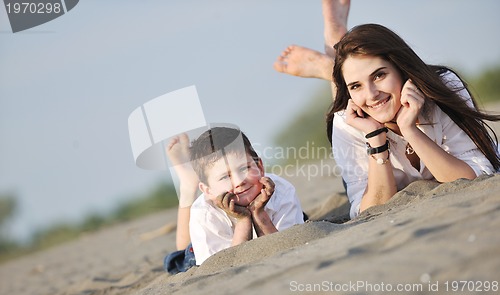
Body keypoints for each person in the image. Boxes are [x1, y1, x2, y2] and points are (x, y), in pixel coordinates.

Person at [274, 3, 500, 219]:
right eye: (355, 85)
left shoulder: (443, 88)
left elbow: (477, 175)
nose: (371, 93)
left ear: (401, 68)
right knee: (345, 106)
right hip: (367, 145)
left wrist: (410, 130)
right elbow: (368, 210)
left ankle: (332, 63)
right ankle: (332, 64)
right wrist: (376, 140)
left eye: (379, 75)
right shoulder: (348, 122)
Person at [164, 126, 304, 274]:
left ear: (260, 167)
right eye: (225, 176)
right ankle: (188, 183)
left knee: (300, 221)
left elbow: (287, 244)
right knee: (183, 257)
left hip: (272, 227)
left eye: (244, 168)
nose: (239, 181)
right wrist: (243, 221)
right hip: (217, 248)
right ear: (208, 190)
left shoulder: (282, 190)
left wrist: (259, 214)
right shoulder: (205, 213)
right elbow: (225, 267)